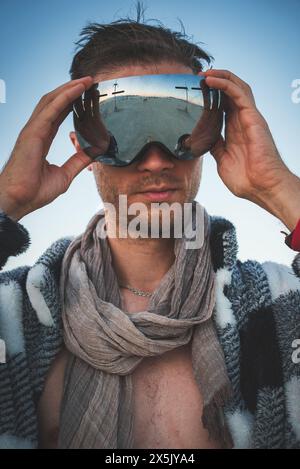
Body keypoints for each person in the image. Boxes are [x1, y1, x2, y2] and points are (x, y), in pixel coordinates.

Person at [0, 11, 300, 450]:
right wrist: (8, 199)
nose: (156, 160)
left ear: (210, 137)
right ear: (83, 145)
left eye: (180, 129)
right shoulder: (18, 317)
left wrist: (279, 190)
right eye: (120, 131)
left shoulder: (277, 309)